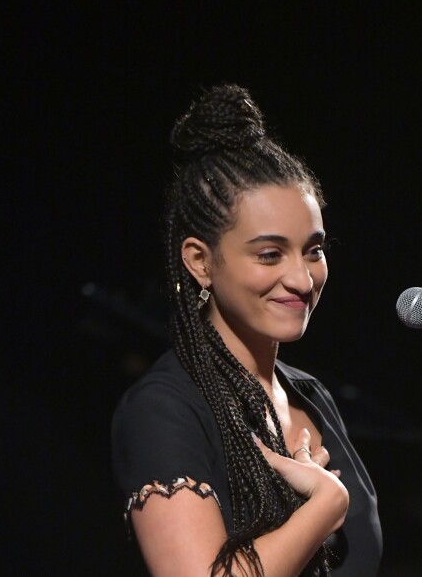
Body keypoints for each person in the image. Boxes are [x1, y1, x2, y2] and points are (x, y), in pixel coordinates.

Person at [112, 84, 382, 576]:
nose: (302, 279)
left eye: (314, 250)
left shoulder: (311, 396)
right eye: (269, 254)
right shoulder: (164, 409)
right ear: (200, 261)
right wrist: (324, 507)